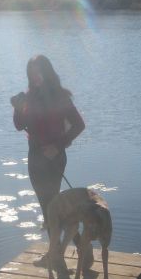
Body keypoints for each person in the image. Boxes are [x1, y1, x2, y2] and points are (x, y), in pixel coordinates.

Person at [11, 54, 85, 242]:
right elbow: (19, 125)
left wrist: (57, 147)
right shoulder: (28, 97)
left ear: (47, 72)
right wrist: (17, 109)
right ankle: (68, 246)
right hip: (35, 157)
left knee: (51, 205)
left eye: (39, 72)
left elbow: (79, 125)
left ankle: (63, 248)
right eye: (31, 73)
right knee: (47, 205)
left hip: (55, 157)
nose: (35, 77)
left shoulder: (60, 96)